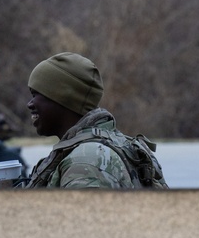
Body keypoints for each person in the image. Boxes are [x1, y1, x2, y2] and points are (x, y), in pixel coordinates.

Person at [23, 52, 167, 189]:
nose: (30, 104)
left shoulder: (88, 162)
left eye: (36, 94)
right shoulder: (97, 148)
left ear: (63, 97)